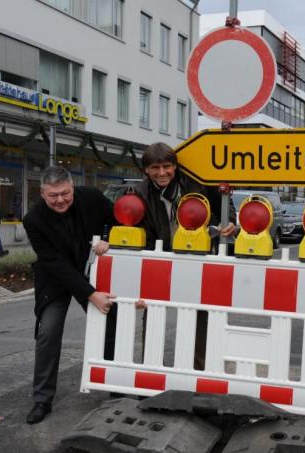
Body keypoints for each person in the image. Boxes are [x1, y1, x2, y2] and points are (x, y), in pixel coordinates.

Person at [22, 166, 118, 425]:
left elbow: (116, 218)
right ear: (42, 193)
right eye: (53, 196)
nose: (60, 200)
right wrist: (91, 294)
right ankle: (42, 399)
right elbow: (54, 263)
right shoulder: (33, 220)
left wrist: (108, 238)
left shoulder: (92, 197)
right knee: (48, 332)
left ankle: (116, 389)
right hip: (55, 279)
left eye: (65, 193)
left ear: (72, 188)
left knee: (111, 324)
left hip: (91, 272)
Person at [134, 142, 236, 369]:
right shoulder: (140, 193)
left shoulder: (197, 183)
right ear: (146, 170)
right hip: (159, 259)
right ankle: (151, 370)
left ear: (175, 166)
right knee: (153, 311)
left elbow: (224, 204)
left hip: (196, 258)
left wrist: (229, 221)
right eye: (155, 168)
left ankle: (199, 370)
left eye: (167, 166)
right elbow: (139, 228)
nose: (162, 173)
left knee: (199, 314)